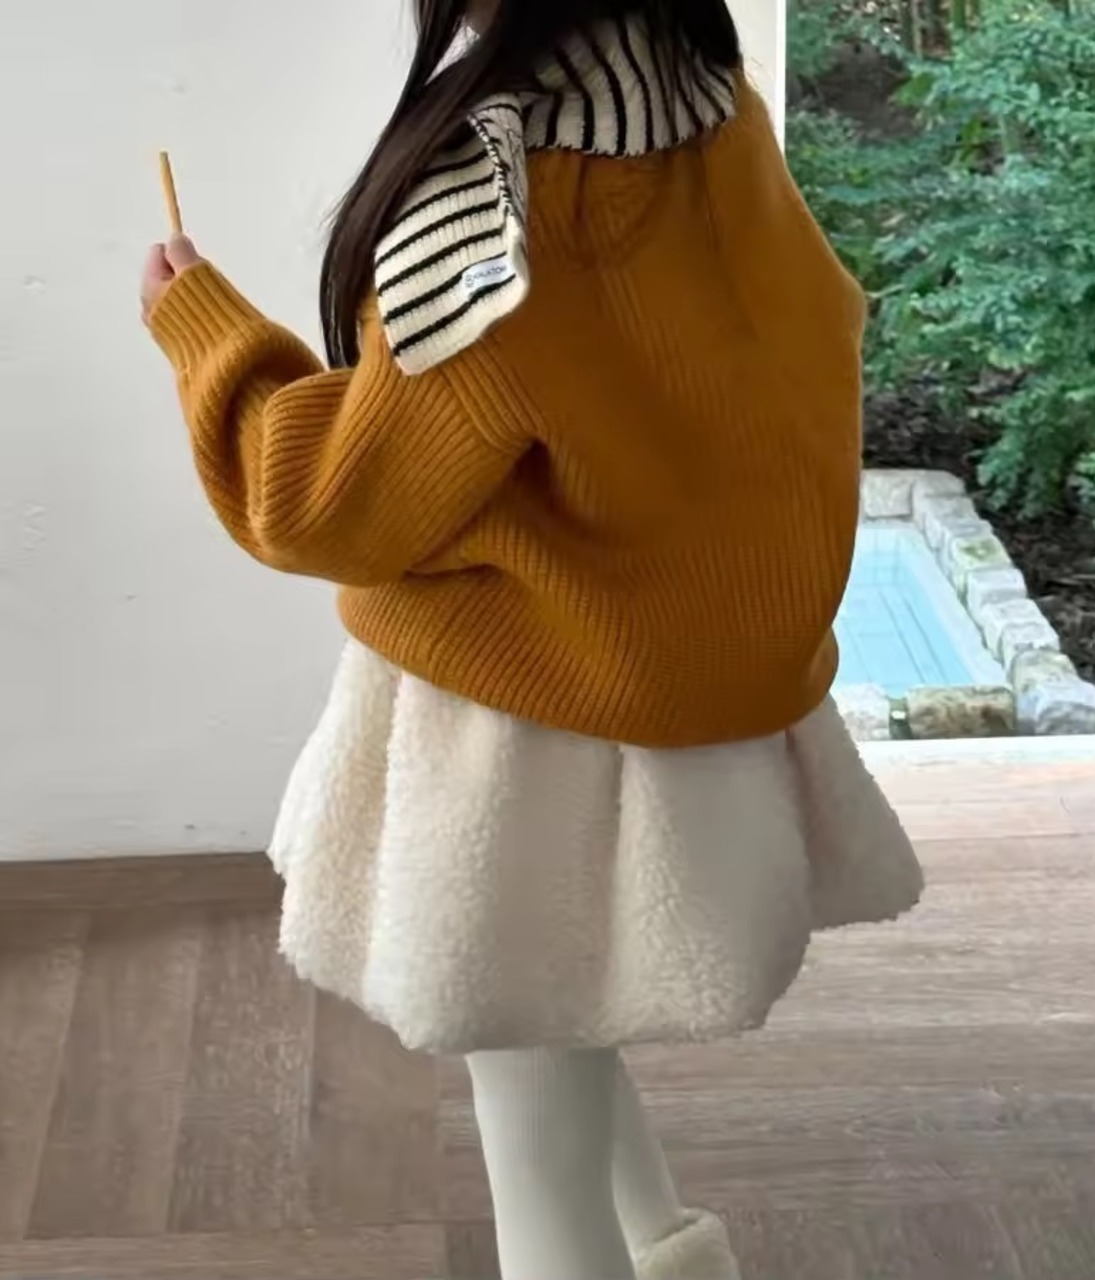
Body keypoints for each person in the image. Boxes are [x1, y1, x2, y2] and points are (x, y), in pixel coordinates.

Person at [142, 1, 923, 1276]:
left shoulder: (494, 202)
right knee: (565, 1024)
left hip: (523, 729)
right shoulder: (709, 107)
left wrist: (208, 338)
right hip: (690, 683)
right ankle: (668, 1246)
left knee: (530, 1122)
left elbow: (327, 505)